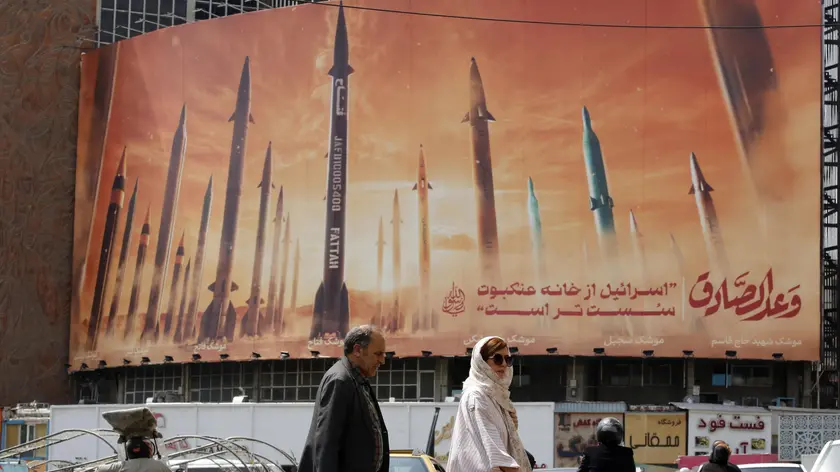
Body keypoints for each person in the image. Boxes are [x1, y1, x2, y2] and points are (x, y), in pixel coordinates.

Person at [298, 325, 390, 472]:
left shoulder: (358, 381)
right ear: (358, 350)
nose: (382, 361)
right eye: (378, 354)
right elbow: (327, 445)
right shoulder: (340, 381)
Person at [447, 336, 531, 472]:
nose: (504, 364)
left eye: (508, 359)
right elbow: (497, 455)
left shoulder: (498, 398)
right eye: (497, 359)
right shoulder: (477, 396)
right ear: (482, 363)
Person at [96, 437, 171, 472]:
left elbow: (99, 469)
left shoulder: (122, 465)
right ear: (148, 449)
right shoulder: (159, 465)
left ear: (128, 450)